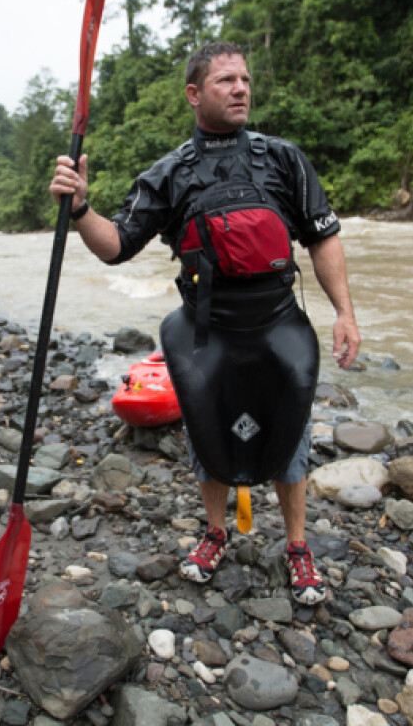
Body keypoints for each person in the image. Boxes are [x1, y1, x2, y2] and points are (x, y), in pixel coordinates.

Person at [50, 41, 361, 605]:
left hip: (276, 323)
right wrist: (79, 208)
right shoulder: (170, 174)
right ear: (194, 94)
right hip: (207, 329)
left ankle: (296, 545)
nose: (240, 88)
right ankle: (216, 532)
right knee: (207, 432)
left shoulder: (283, 159)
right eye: (225, 81)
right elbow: (116, 246)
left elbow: (323, 237)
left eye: (245, 79)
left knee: (290, 432)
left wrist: (344, 312)